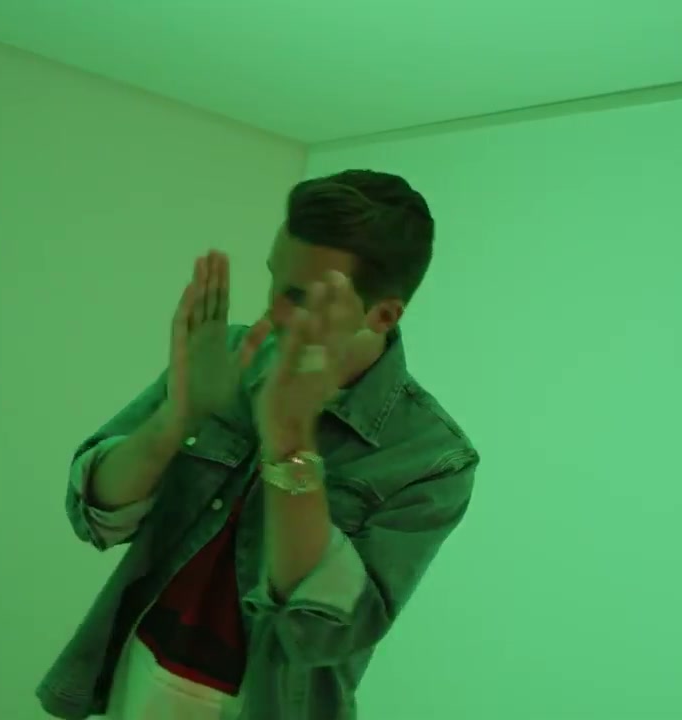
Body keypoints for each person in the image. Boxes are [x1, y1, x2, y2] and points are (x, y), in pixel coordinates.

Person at [35, 170, 478, 720]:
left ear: (383, 313)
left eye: (301, 297)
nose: (272, 312)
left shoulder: (432, 459)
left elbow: (326, 632)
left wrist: (289, 441)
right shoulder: (226, 354)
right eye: (274, 278)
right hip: (133, 675)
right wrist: (176, 418)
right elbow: (95, 514)